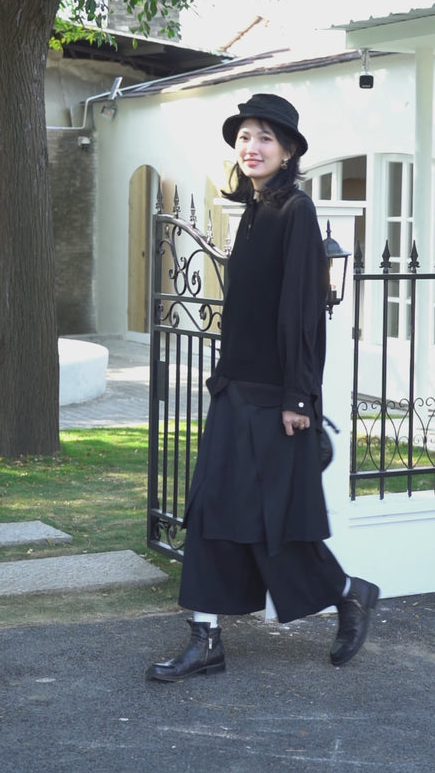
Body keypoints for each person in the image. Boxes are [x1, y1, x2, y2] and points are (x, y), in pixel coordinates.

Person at [146, 93, 379, 683]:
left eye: (265, 138)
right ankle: (206, 638)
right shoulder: (252, 210)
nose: (251, 147)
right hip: (235, 390)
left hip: (275, 399)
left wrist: (299, 398)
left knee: (272, 521)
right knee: (210, 511)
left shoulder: (295, 210)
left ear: (289, 150)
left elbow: (302, 309)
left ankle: (348, 593)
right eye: (244, 137)